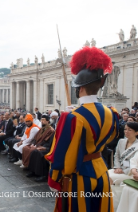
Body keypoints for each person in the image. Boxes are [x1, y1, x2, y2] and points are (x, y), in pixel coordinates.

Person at [45, 47, 119, 212]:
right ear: (100, 84)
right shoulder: (112, 112)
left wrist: (54, 179)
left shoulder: (72, 117)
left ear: (79, 88)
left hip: (80, 177)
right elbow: (112, 136)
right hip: (102, 171)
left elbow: (60, 153)